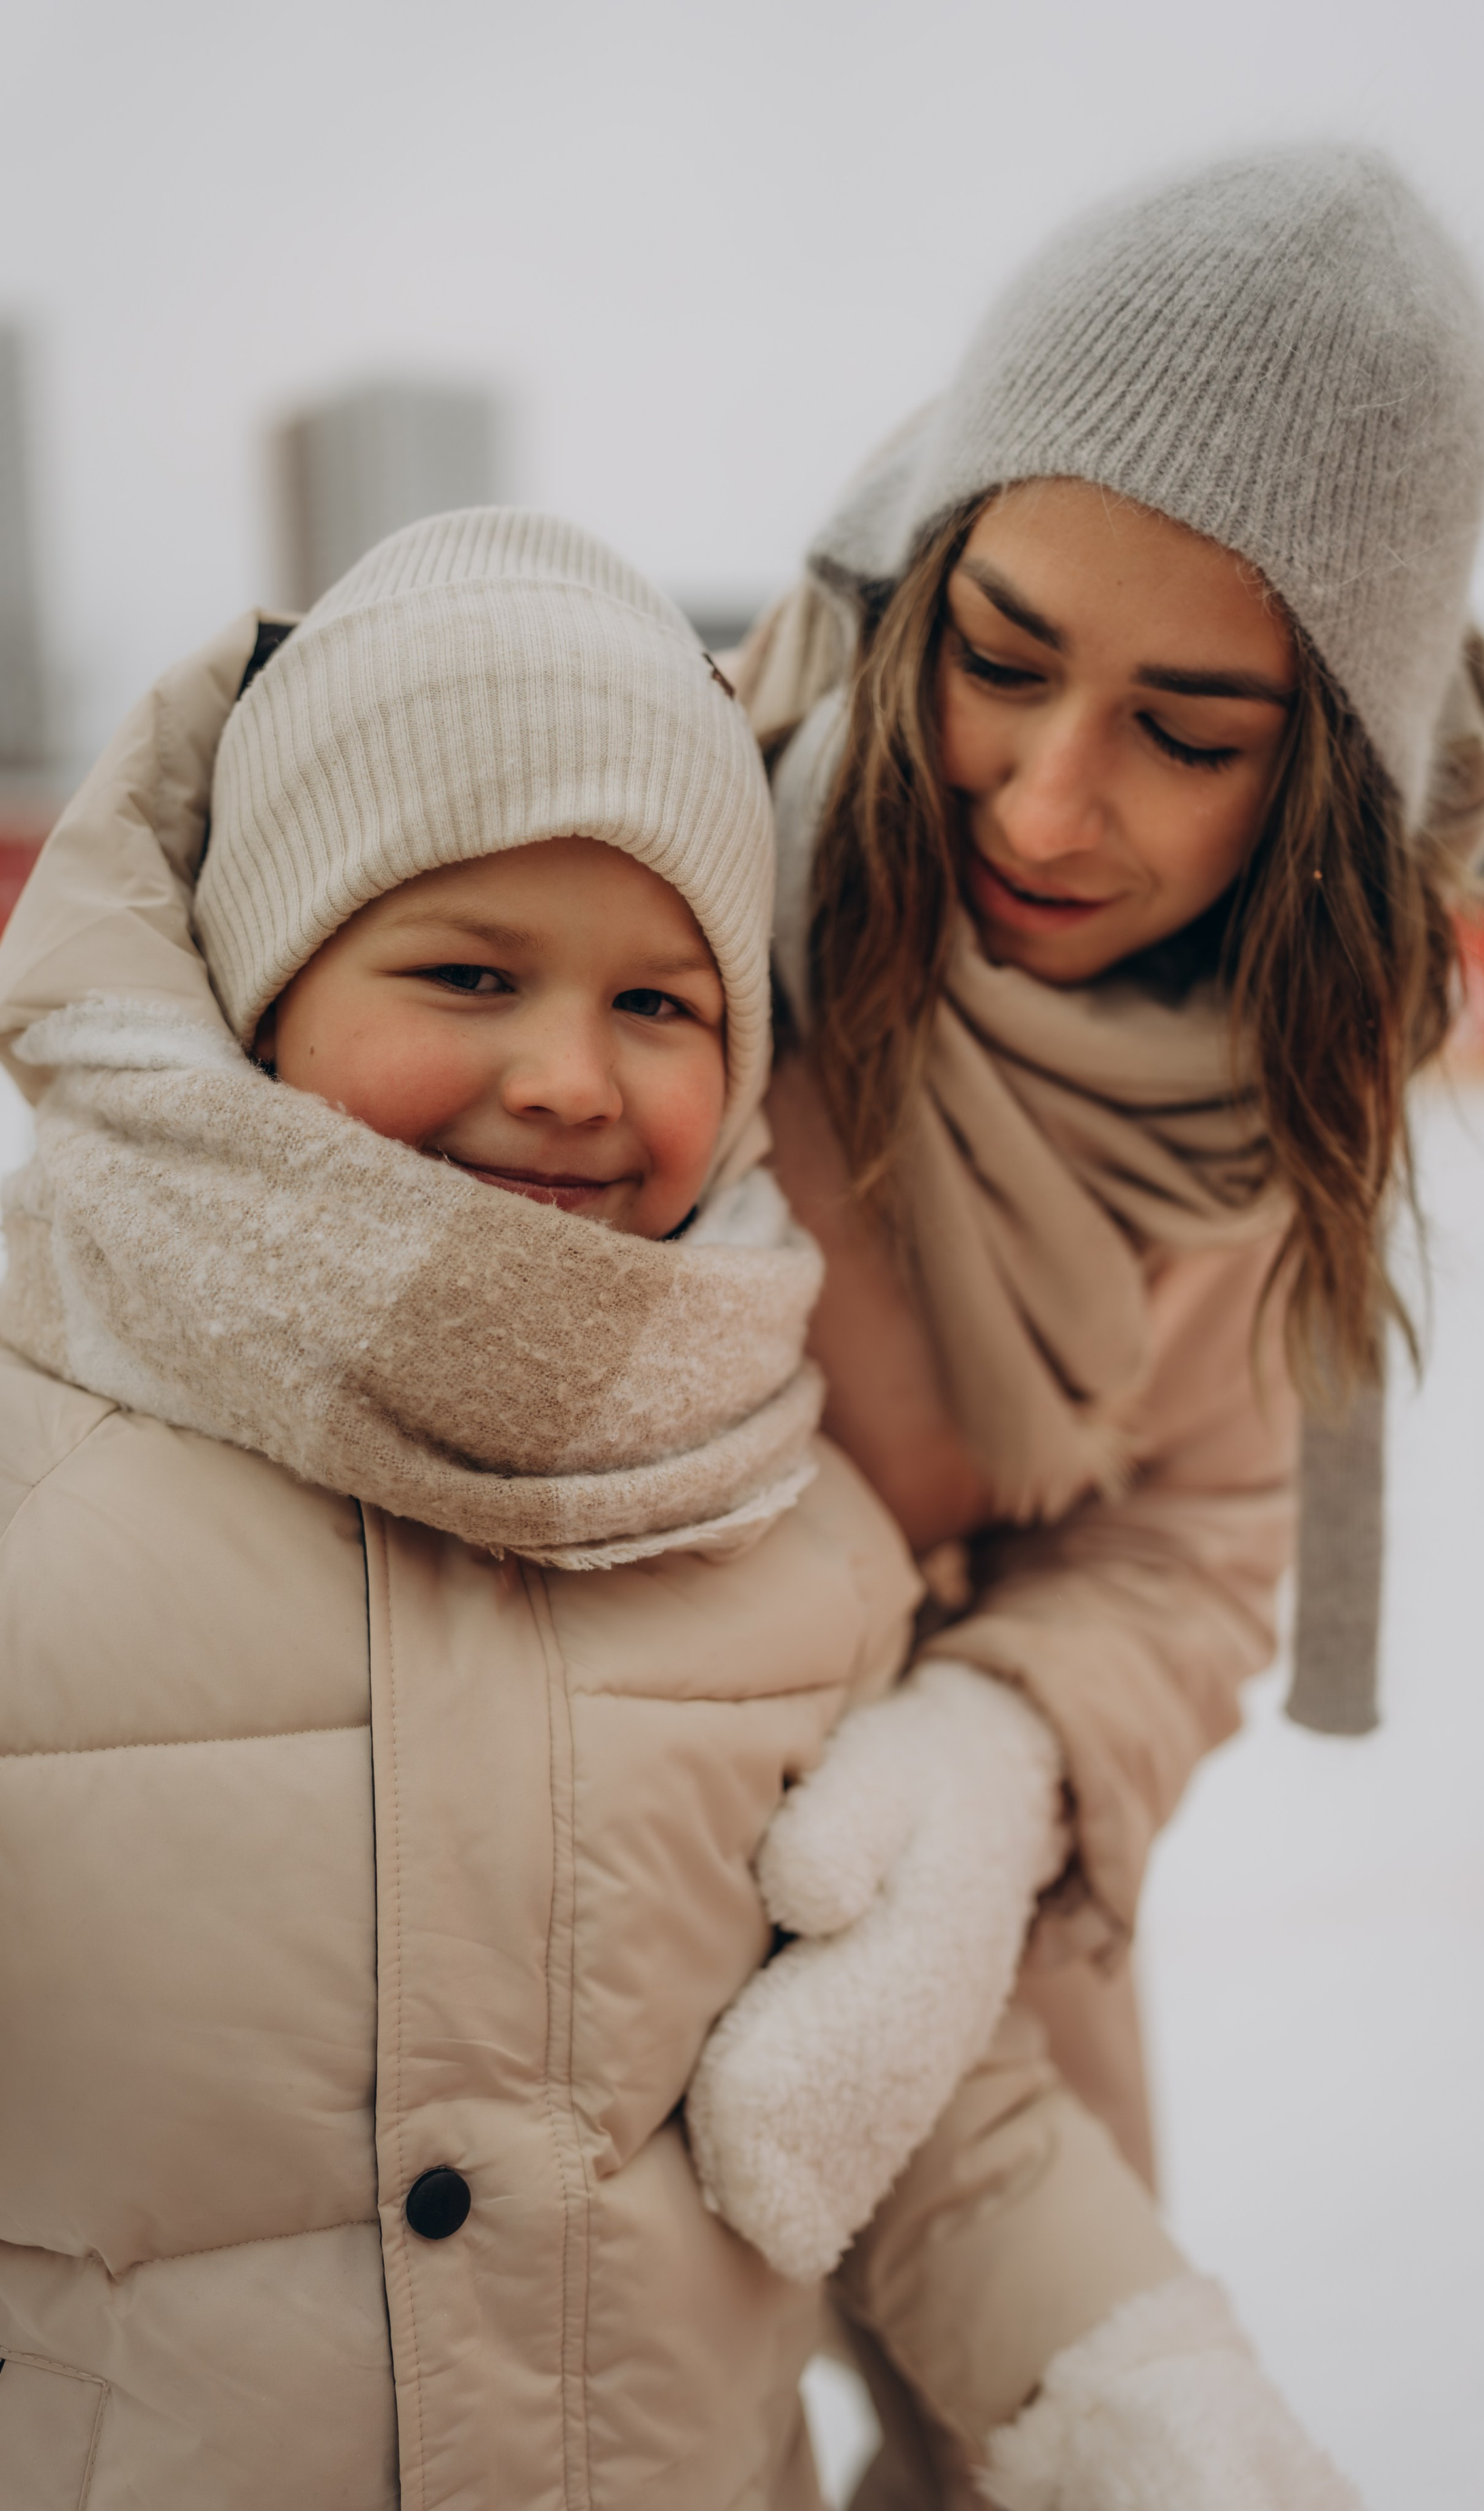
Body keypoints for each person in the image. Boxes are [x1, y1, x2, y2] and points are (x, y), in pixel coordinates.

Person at [0, 509, 1361, 2511]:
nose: (565, 1074)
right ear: (263, 976)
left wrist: (1138, 2391)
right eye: (468, 971)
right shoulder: (38, 1506)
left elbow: (921, 2104)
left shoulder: (795, 1554)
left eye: (659, 1006)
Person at [701, 144, 1484, 2472]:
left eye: (1187, 729)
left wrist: (997, 1757)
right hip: (592, 1828)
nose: (1048, 806)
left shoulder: (1288, 1094)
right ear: (931, 581)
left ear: (1329, 767)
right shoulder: (681, 891)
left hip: (972, 1912)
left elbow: (1190, 1538)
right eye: (1002, 661)